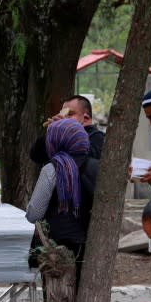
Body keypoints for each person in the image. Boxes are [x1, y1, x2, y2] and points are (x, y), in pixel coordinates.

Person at [26, 119, 98, 286]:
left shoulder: (52, 169)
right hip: (89, 246)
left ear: (56, 141)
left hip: (56, 249)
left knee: (59, 299)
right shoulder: (98, 167)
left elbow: (34, 214)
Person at [29, 95, 105, 163]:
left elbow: (89, 159)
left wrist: (68, 131)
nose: (64, 118)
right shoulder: (60, 137)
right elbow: (35, 156)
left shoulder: (98, 137)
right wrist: (52, 133)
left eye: (70, 114)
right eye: (63, 113)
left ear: (86, 118)